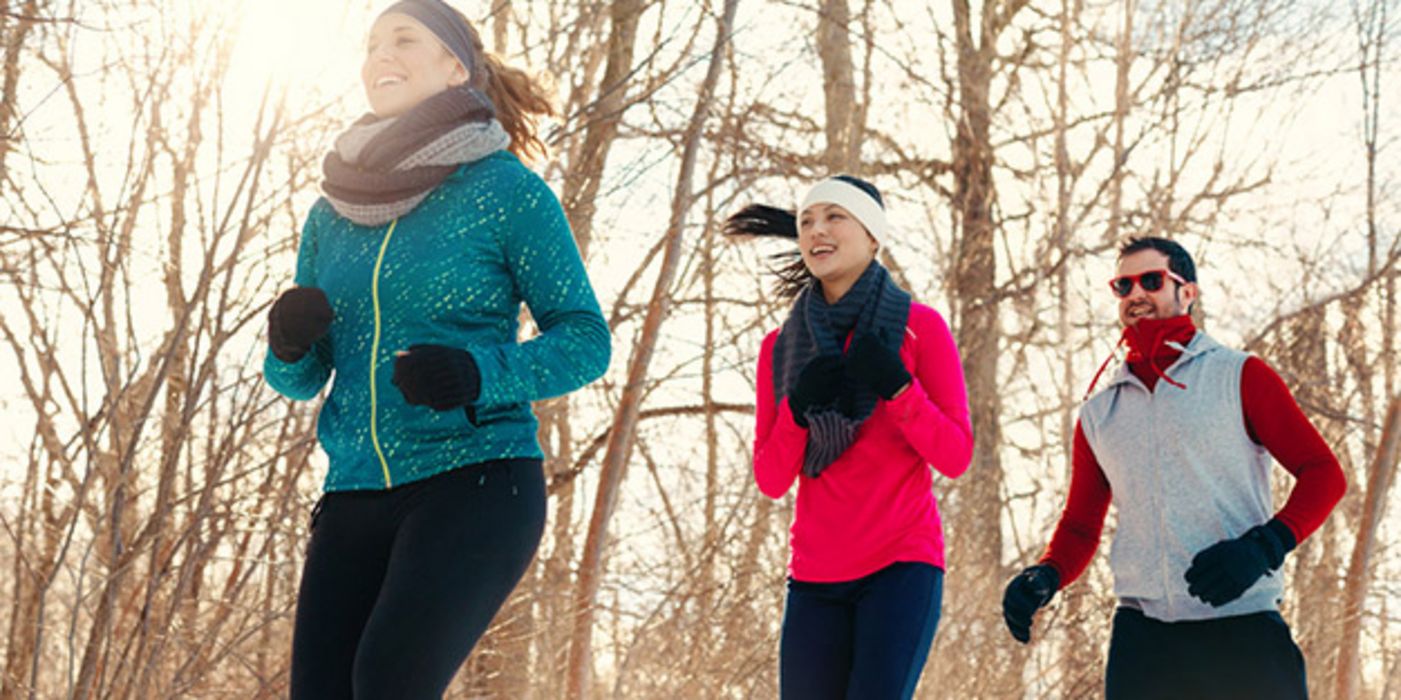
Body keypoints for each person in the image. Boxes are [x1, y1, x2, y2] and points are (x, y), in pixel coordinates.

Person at [261, 2, 610, 696]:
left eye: (402, 40)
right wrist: (289, 344)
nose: (378, 55)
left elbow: (585, 340)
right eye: (370, 45)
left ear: (455, 68)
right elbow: (300, 381)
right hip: (354, 490)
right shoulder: (331, 210)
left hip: (476, 481)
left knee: (388, 681)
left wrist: (478, 374)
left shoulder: (506, 191)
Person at [1001, 237, 1347, 700]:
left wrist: (1265, 546)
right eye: (1123, 286)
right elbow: (1082, 525)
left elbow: (1323, 471)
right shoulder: (1100, 413)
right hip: (1144, 643)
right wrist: (1046, 575)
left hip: (1240, 627)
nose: (1135, 295)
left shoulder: (1239, 376)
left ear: (1188, 293)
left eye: (1151, 280)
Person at [725, 176, 974, 700]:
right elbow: (771, 479)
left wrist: (899, 388)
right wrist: (798, 407)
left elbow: (955, 455)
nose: (817, 230)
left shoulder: (920, 329)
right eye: (807, 221)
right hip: (815, 577)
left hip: (901, 567)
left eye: (834, 216)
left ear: (872, 234)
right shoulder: (782, 347)